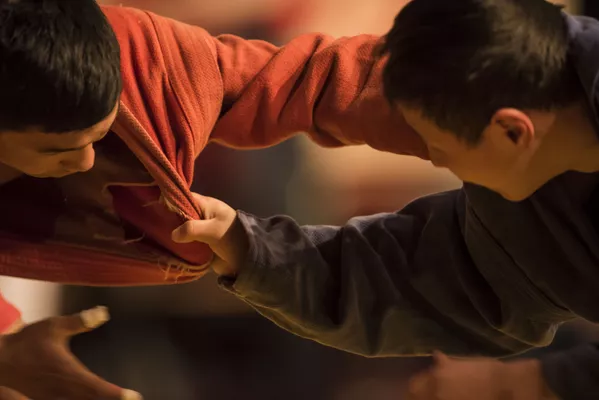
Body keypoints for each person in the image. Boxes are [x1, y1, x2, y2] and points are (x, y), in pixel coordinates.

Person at [170, 1, 599, 399]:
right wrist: (249, 247)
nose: (437, 161)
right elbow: (420, 277)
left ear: (512, 132)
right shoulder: (533, 190)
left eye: (440, 147)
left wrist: (520, 384)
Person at [0, 0, 425, 398]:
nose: (87, 163)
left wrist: (441, 102)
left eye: (101, 137)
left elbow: (316, 82)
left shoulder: (148, 65)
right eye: (56, 150)